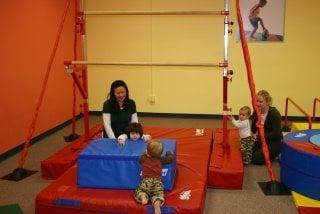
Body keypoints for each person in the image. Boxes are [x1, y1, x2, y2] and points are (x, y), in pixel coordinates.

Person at [134, 140, 174, 214]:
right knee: (158, 194)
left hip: (146, 181)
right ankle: (157, 204)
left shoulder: (144, 159)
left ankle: (143, 196)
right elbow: (170, 159)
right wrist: (169, 153)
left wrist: (144, 153)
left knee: (140, 191)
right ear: (160, 154)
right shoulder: (161, 159)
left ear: (147, 152)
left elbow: (139, 158)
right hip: (157, 182)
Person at [251, 90, 283, 165]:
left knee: (256, 159)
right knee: (248, 154)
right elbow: (253, 129)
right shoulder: (256, 112)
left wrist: (260, 136)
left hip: (274, 141)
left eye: (261, 102)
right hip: (262, 139)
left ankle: (276, 153)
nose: (258, 104)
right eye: (257, 101)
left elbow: (276, 134)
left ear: (268, 102)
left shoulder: (275, 114)